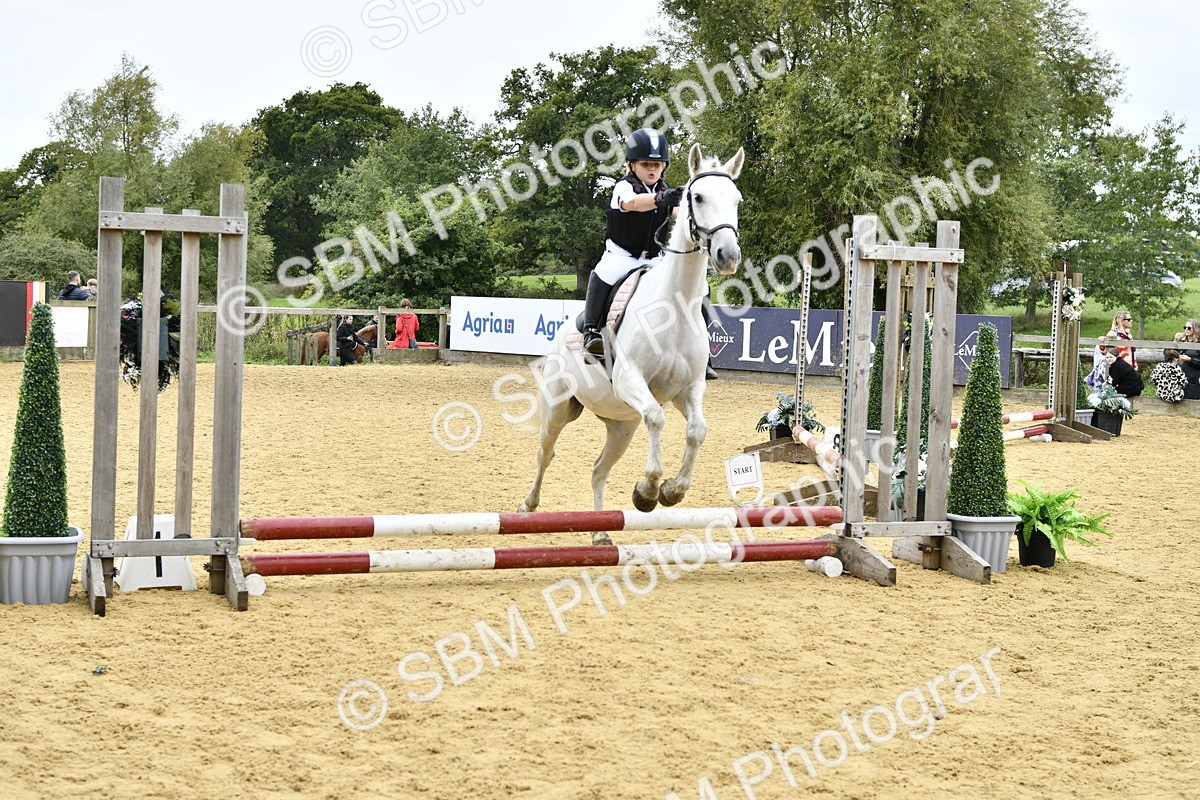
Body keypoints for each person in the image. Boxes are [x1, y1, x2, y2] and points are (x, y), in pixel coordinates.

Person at [581, 127, 682, 358]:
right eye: (646, 164)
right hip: (622, 257)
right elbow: (634, 204)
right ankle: (591, 332)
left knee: (691, 287)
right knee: (603, 273)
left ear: (664, 166)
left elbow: (677, 213)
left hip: (655, 259)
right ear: (632, 165)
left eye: (656, 164)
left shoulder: (665, 189)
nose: (652, 169)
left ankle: (700, 350)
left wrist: (692, 205)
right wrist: (661, 199)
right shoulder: (624, 187)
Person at [1173, 318, 1200, 400]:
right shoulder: (1181, 341)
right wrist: (1175, 341)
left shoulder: (1198, 343)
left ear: (1195, 329)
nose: (1186, 329)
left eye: (1189, 328)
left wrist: (1190, 359)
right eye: (1185, 327)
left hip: (1193, 377)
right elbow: (1167, 353)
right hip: (1178, 376)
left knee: (1192, 400)